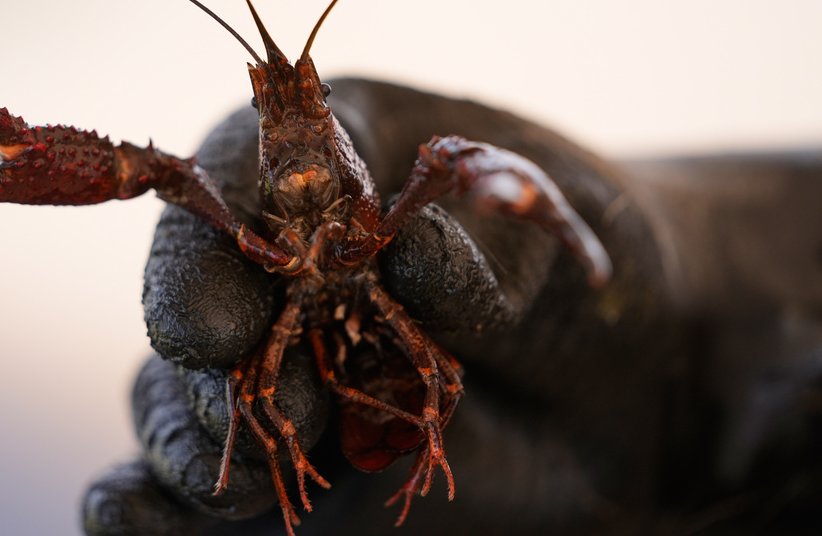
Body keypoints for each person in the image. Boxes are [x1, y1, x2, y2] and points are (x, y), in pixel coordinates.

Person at [82, 79, 822, 535]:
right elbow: (160, 178)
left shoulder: (412, 185)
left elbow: (446, 171)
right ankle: (277, 482)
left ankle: (422, 450)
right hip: (326, 372)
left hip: (400, 371)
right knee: (246, 396)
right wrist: (716, 268)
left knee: (413, 376)